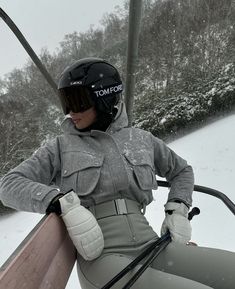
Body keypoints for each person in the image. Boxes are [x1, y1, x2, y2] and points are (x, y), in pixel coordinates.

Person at [0, 57, 234, 289]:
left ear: (104, 99)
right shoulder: (60, 148)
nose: (71, 111)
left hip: (151, 245)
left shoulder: (140, 139)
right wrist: (62, 203)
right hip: (102, 258)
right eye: (66, 102)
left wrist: (178, 209)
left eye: (78, 101)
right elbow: (8, 185)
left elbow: (182, 171)